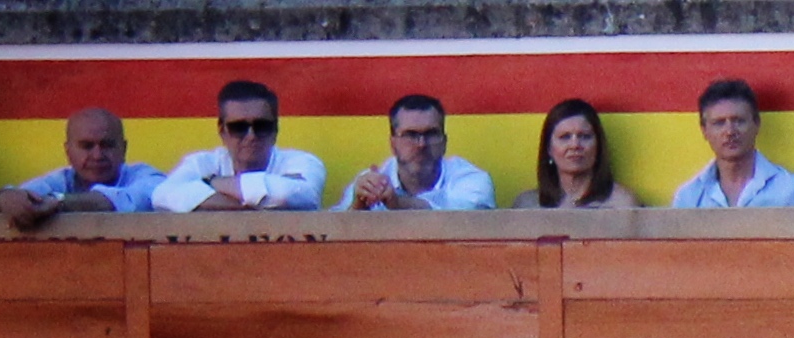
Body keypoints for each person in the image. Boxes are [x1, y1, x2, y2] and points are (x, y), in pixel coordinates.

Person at [153, 80, 325, 212]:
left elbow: (298, 194)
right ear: (222, 131)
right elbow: (162, 196)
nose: (251, 136)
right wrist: (260, 201)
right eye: (239, 127)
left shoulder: (304, 162)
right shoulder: (202, 162)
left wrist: (211, 183)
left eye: (261, 126)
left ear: (275, 129)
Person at [672, 79, 794, 209]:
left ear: (756, 124)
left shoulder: (792, 191)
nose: (730, 131)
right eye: (719, 123)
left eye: (739, 121)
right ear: (704, 130)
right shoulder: (689, 198)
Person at [0, 108, 162, 226]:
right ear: (68, 152)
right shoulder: (59, 181)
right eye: (87, 146)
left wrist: (57, 203)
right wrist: (4, 197)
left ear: (123, 149)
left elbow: (121, 201)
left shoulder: (148, 178)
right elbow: (21, 198)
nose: (97, 155)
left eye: (107, 145)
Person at [335, 94, 495, 210]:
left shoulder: (471, 179)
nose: (421, 144)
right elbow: (330, 240)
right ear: (393, 143)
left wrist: (397, 203)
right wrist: (358, 206)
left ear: (444, 141)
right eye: (410, 135)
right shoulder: (370, 182)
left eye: (431, 134)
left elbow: (460, 219)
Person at [514, 98, 641, 209]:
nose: (575, 145)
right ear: (548, 149)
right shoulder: (527, 204)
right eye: (565, 137)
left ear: (598, 146)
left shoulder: (621, 204)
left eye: (584, 136)